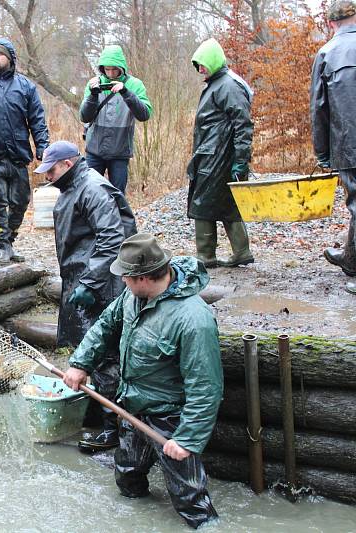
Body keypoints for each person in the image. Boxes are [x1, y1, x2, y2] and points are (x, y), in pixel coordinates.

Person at [63, 233, 223, 529]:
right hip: (133, 408)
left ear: (144, 278)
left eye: (125, 277)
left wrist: (187, 439)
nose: (121, 281)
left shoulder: (193, 320)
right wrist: (80, 363)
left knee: (191, 501)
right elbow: (105, 326)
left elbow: (206, 388)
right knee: (127, 477)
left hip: (171, 419)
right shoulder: (132, 296)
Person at [34, 141, 137, 452]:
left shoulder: (92, 187)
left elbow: (113, 238)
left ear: (67, 163)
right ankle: (97, 413)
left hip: (101, 283)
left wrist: (91, 284)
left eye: (50, 170)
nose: (47, 176)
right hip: (81, 277)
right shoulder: (72, 187)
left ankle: (113, 430)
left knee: (105, 356)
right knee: (85, 349)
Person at [0, 38, 50, 264]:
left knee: (21, 201)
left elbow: (37, 119)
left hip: (17, 155)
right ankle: (3, 245)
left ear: (10, 58)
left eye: (0, 54)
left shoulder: (25, 86)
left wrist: (42, 146)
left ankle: (11, 239)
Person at [187, 38, 255, 269]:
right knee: (227, 202)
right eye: (198, 65)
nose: (200, 69)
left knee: (203, 204)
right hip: (213, 154)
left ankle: (206, 256)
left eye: (203, 63)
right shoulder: (219, 84)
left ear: (214, 61)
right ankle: (241, 251)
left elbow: (243, 125)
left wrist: (240, 161)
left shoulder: (227, 85)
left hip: (218, 156)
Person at [311, 1, 356, 293]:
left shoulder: (326, 53)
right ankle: (351, 258)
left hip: (348, 143)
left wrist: (323, 152)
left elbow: (319, 108)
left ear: (331, 24)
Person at [79, 44, 151, 195]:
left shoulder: (134, 85)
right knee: (90, 193)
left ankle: (118, 219)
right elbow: (84, 116)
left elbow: (144, 115)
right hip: (94, 150)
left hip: (120, 151)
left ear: (121, 67)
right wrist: (93, 95)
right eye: (107, 69)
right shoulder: (94, 83)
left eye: (114, 69)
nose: (110, 73)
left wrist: (126, 92)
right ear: (102, 68)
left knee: (117, 196)